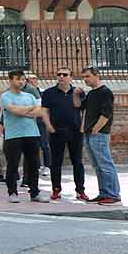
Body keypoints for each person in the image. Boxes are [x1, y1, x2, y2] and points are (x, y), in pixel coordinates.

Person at [40, 67, 87, 201]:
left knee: (77, 161)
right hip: (57, 131)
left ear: (71, 77)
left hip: (75, 132)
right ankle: (56, 190)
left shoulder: (78, 92)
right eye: (59, 74)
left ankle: (80, 190)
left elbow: (85, 110)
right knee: (56, 162)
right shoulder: (49, 93)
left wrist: (82, 127)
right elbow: (44, 111)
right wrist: (49, 126)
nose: (61, 76)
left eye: (64, 74)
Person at [0, 69, 44, 203]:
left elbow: (39, 112)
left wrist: (22, 111)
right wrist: (29, 109)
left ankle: (34, 192)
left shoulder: (29, 96)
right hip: (14, 135)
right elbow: (13, 110)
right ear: (11, 80)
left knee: (34, 164)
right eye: (18, 79)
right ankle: (12, 192)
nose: (21, 82)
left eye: (23, 79)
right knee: (13, 164)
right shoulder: (5, 96)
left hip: (32, 133)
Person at [82, 66, 120, 205]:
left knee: (105, 164)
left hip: (99, 134)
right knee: (97, 165)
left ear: (97, 75)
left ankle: (113, 194)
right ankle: (104, 193)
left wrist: (96, 129)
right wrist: (76, 94)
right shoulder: (91, 93)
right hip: (89, 133)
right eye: (83, 77)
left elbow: (106, 114)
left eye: (87, 76)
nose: (85, 79)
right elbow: (80, 107)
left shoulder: (105, 92)